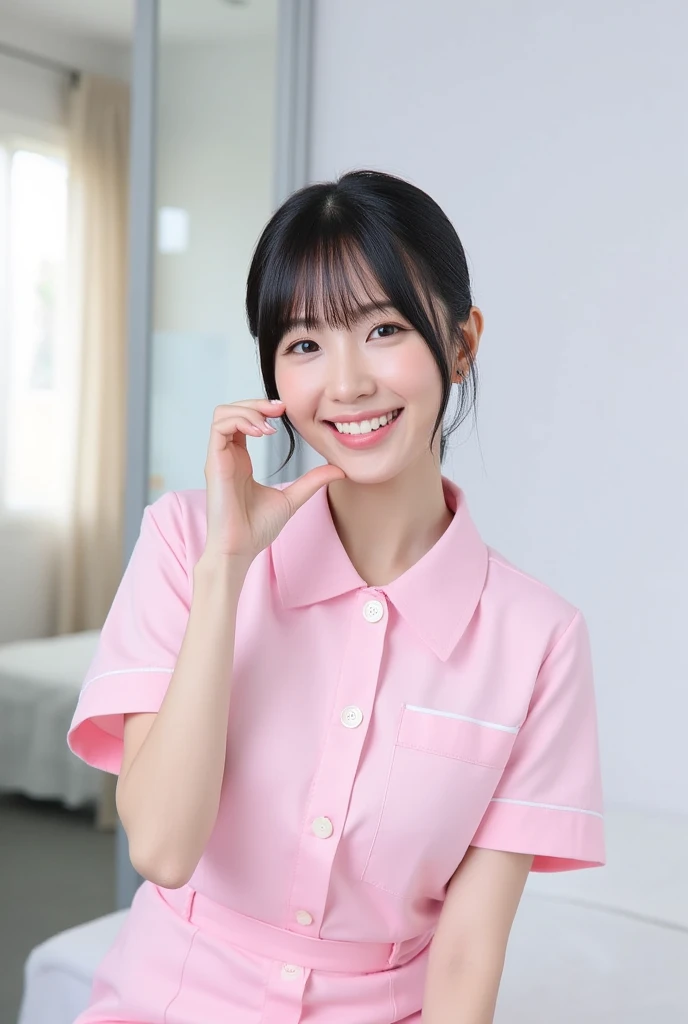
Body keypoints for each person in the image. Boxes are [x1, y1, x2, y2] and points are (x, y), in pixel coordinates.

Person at [68, 169, 605, 1024]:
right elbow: (164, 849)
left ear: (462, 342)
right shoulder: (183, 543)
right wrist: (226, 572)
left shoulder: (538, 640)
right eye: (305, 344)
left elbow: (467, 959)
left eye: (384, 328)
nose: (347, 384)